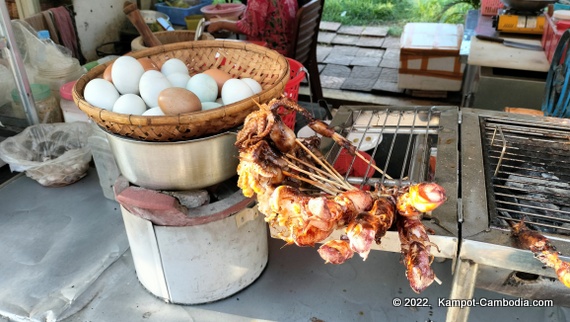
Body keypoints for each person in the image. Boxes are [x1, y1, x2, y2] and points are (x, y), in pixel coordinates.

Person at [206, 0, 298, 55]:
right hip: (286, 46)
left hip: (271, 53)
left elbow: (251, 28)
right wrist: (224, 20)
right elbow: (254, 17)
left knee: (217, 52)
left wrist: (221, 24)